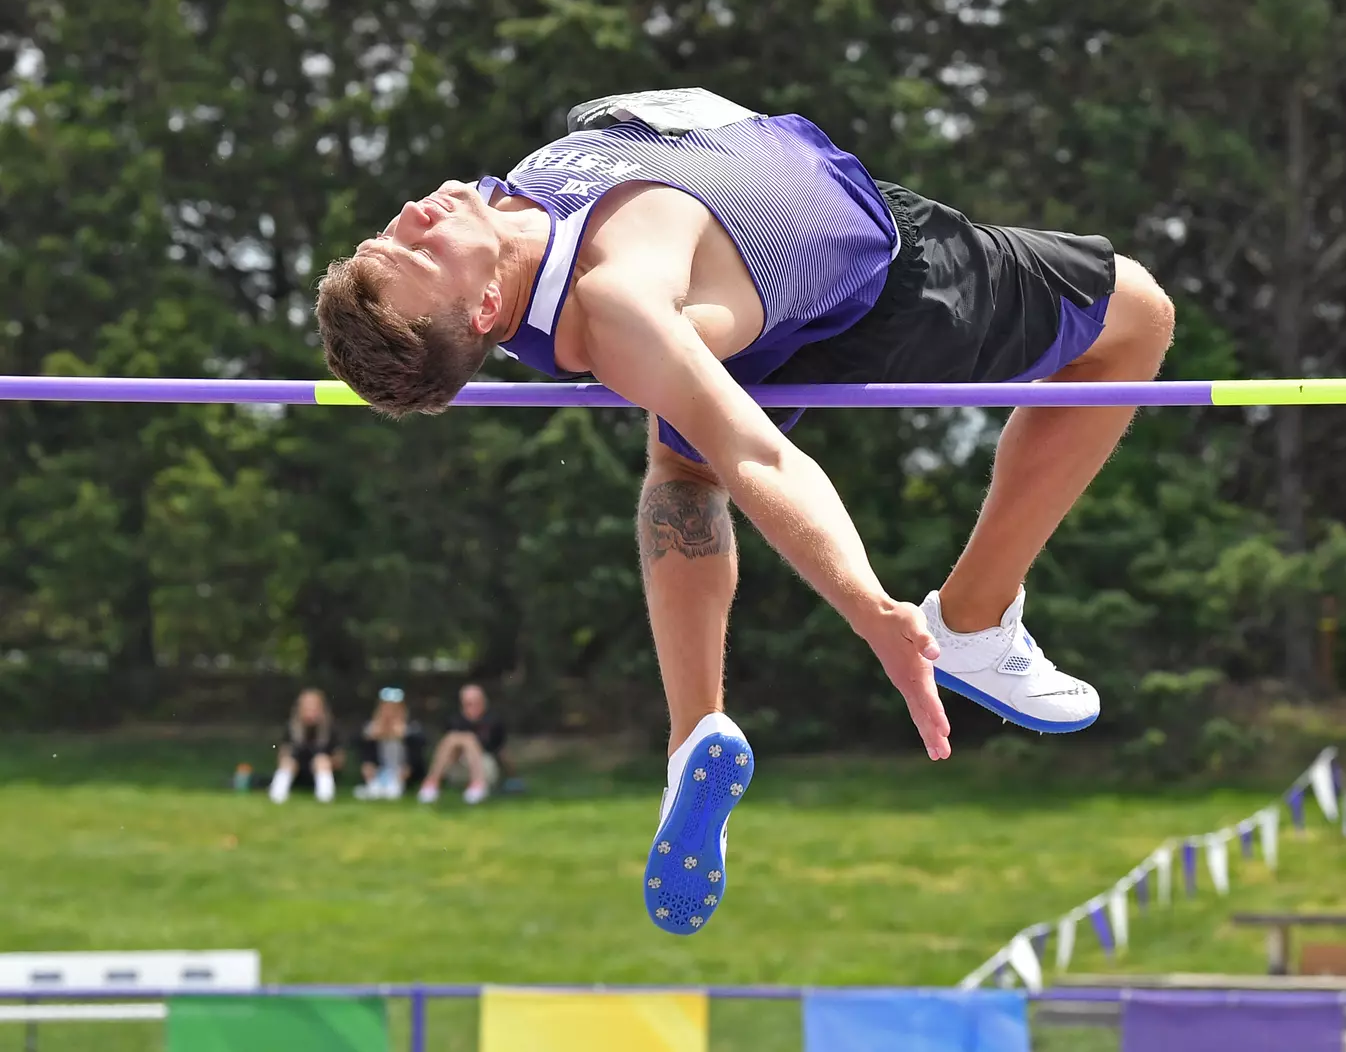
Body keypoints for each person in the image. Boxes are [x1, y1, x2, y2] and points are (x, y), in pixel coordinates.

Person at [313, 87, 1175, 934]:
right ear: (485, 309)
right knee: (1136, 317)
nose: (410, 215)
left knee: (680, 471)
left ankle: (695, 736)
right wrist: (870, 606)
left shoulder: (502, 212)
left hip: (754, 277)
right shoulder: (618, 302)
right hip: (881, 285)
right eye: (417, 252)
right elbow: (762, 455)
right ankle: (974, 623)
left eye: (389, 235)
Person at [417, 683, 518, 805]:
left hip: (485, 766)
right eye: (468, 703)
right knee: (454, 739)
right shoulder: (454, 720)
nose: (473, 707)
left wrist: (512, 775)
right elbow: (447, 750)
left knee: (468, 739)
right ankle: (432, 783)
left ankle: (478, 783)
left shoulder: (494, 720)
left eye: (477, 702)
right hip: (458, 767)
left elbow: (502, 749)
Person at [268, 687, 342, 804]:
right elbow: (282, 755)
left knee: (321, 760)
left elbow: (339, 761)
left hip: (321, 772)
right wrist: (288, 761)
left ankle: (325, 797)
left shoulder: (330, 729)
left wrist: (325, 762)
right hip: (296, 772)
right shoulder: (291, 727)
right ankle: (277, 796)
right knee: (288, 762)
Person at [353, 686, 428, 801]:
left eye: (394, 709)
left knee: (404, 771)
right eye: (386, 708)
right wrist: (371, 736)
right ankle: (374, 786)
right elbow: (357, 744)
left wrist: (404, 735)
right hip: (379, 769)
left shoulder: (411, 726)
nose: (390, 712)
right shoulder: (371, 727)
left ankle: (396, 787)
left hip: (402, 771)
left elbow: (420, 745)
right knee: (368, 766)